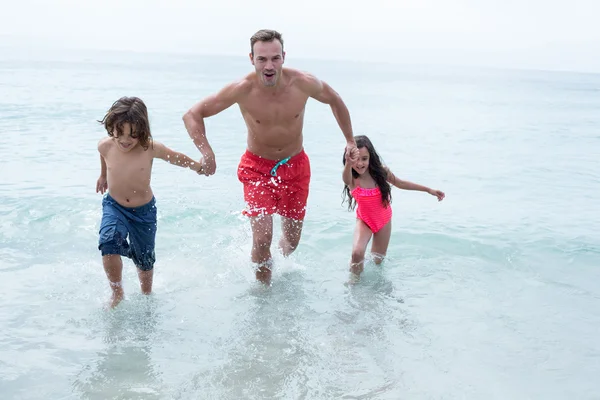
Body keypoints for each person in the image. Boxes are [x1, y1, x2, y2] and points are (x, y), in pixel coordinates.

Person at [182, 29, 359, 284]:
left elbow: (335, 100)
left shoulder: (303, 83)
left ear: (284, 57)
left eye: (275, 58)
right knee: (262, 238)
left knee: (291, 243)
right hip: (256, 167)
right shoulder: (241, 89)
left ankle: (271, 263)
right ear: (251, 59)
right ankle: (263, 295)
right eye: (262, 59)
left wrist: (350, 140)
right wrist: (206, 152)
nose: (269, 65)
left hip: (296, 166)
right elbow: (192, 114)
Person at [96, 96, 203, 308]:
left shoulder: (150, 148)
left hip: (143, 211)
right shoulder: (105, 146)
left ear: (142, 132)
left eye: (132, 135)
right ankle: (117, 292)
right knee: (108, 242)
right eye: (120, 133)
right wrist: (103, 176)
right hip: (114, 205)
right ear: (111, 128)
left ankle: (146, 294)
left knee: (144, 259)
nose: (125, 140)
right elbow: (104, 158)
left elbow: (175, 157)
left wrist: (196, 166)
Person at [342, 135, 445, 280]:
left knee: (377, 261)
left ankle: (374, 289)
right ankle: (354, 283)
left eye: (364, 158)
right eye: (356, 159)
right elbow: (345, 179)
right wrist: (348, 163)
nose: (360, 164)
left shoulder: (380, 172)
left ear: (370, 158)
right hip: (365, 221)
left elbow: (401, 183)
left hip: (383, 221)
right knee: (357, 253)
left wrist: (428, 190)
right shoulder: (352, 178)